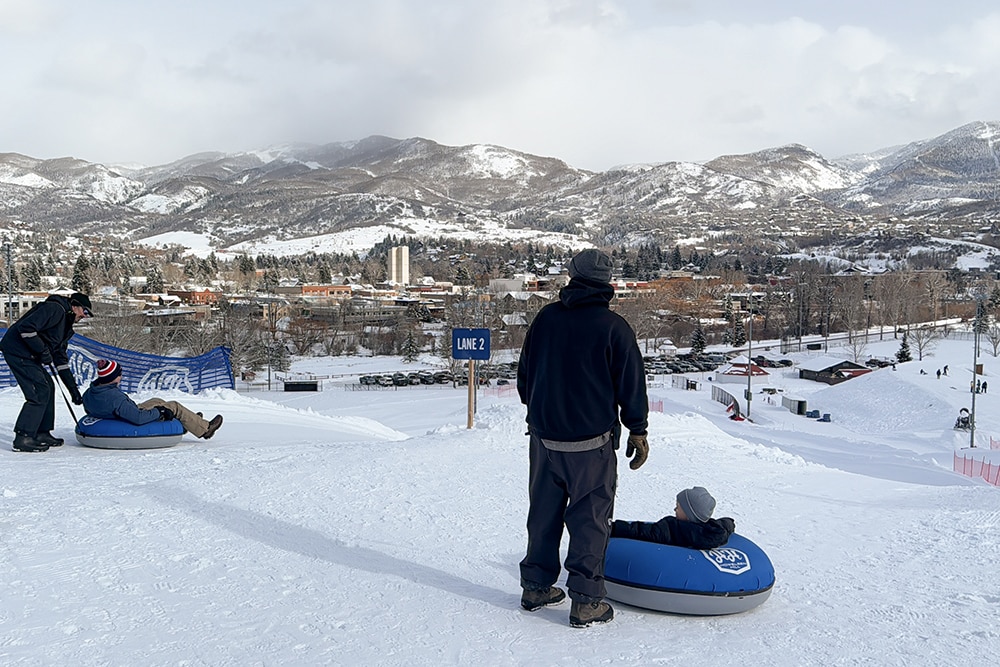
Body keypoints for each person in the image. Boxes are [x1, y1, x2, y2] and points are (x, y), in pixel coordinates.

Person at [516, 248, 649, 628]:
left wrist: (544, 411)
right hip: (591, 446)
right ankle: (587, 600)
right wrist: (637, 430)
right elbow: (632, 387)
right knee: (590, 518)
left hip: (543, 442)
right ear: (608, 283)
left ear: (572, 276)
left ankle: (536, 586)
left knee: (543, 514)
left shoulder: (545, 319)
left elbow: (525, 378)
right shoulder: (614, 328)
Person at [0, 292, 91, 452]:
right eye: (85, 311)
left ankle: (42, 432)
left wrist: (73, 390)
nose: (85, 316)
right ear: (75, 306)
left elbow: (60, 360)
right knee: (39, 390)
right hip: (17, 351)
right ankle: (23, 437)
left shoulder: (65, 327)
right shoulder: (54, 309)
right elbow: (26, 328)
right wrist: (42, 350)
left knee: (49, 386)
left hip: (30, 355)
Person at [82, 359, 223, 439]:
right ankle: (205, 429)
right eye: (120, 375)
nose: (121, 377)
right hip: (126, 418)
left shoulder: (89, 393)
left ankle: (189, 421)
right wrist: (160, 412)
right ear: (113, 378)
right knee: (173, 406)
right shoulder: (115, 398)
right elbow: (138, 418)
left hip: (116, 414)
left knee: (156, 400)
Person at [611, 487, 736, 550]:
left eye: (678, 507)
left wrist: (614, 527)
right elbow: (727, 523)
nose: (674, 510)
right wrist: (730, 524)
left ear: (689, 514)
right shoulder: (714, 531)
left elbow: (640, 531)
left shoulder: (671, 529)